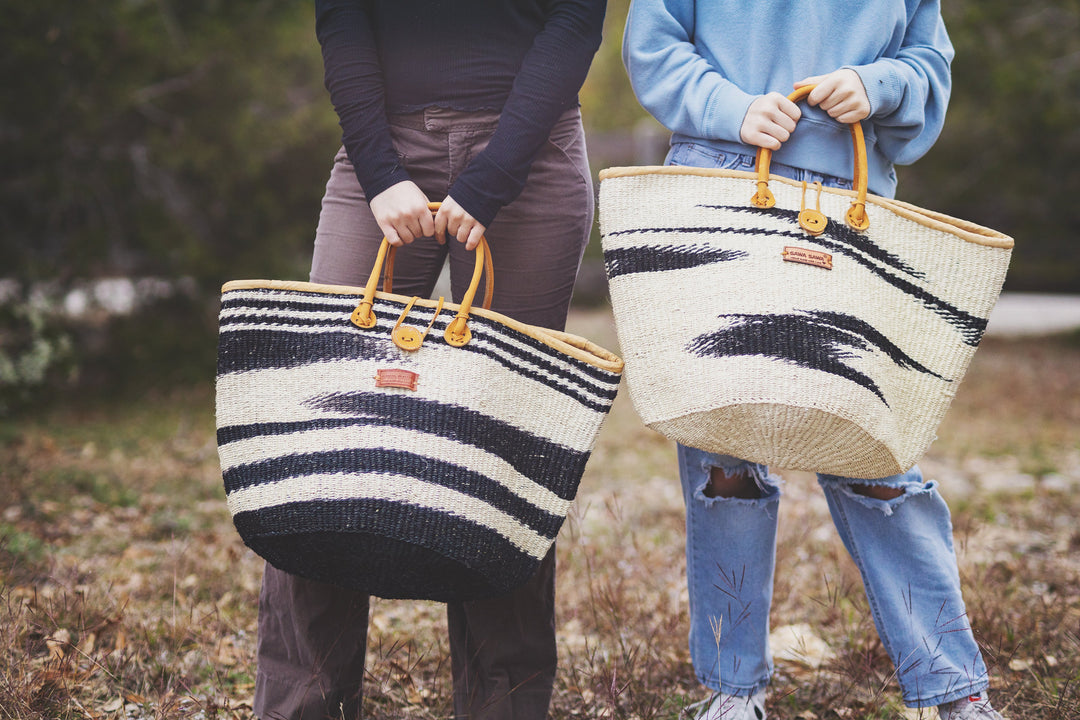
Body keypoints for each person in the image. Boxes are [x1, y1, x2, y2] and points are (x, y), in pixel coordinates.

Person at [622, 2, 1005, 719]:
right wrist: (729, 109)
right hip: (720, 196)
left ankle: (955, 690)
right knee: (722, 460)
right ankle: (733, 692)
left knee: (876, 453)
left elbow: (928, 66)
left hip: (849, 211)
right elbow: (653, 43)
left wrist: (878, 85)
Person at [252, 2, 607, 719]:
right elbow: (341, 18)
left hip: (531, 153)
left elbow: (576, 19)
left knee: (507, 447)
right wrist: (381, 172)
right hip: (380, 151)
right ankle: (304, 704)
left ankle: (502, 706)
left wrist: (493, 177)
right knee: (326, 439)